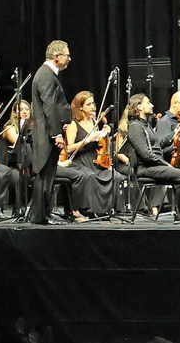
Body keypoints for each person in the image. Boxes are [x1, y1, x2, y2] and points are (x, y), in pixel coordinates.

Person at [122, 93, 180, 220]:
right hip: (145, 168)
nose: (152, 105)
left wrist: (175, 132)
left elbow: (158, 144)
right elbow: (145, 154)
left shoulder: (145, 125)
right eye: (148, 103)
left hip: (153, 166)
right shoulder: (135, 127)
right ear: (139, 107)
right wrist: (164, 163)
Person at [28, 40, 72, 224]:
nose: (69, 58)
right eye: (67, 55)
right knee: (44, 175)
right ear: (56, 57)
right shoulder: (46, 75)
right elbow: (49, 107)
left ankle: (43, 213)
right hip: (46, 134)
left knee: (48, 175)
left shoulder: (49, 74)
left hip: (49, 132)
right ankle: (40, 216)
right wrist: (57, 134)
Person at [57, 91, 117, 221]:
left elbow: (102, 145)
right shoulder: (73, 124)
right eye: (88, 104)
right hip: (78, 161)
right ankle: (84, 210)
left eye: (93, 103)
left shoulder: (95, 121)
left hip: (94, 161)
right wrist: (87, 140)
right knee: (89, 177)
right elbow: (68, 148)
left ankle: (102, 210)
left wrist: (105, 134)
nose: (93, 107)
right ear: (80, 107)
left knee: (114, 176)